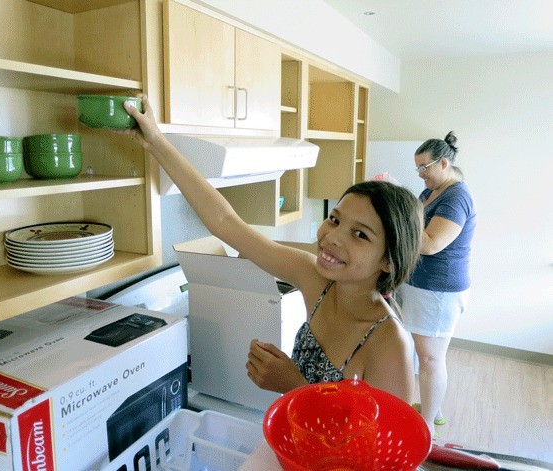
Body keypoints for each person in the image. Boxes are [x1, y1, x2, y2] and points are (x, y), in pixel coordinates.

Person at [123, 95, 423, 402]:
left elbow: (385, 449)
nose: (332, 237)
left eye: (359, 234)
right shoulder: (315, 280)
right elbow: (226, 222)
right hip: (291, 444)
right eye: (334, 219)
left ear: (388, 260)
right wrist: (156, 141)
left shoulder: (389, 343)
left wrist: (294, 385)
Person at [397, 131, 477, 437]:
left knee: (430, 357)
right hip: (421, 286)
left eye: (424, 168)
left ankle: (427, 427)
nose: (420, 175)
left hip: (439, 290)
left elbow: (430, 243)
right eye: (417, 169)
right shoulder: (429, 192)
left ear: (443, 163)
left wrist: (401, 216)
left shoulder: (457, 197)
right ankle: (434, 406)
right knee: (424, 353)